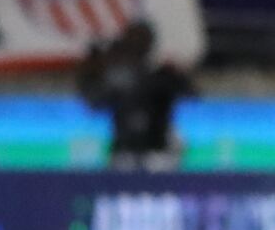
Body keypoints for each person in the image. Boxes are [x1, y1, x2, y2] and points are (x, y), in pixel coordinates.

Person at [77, 19, 193, 166]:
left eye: (141, 39)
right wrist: (90, 71)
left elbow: (192, 98)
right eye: (132, 39)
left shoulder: (163, 75)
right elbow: (94, 103)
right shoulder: (116, 76)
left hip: (157, 150)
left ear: (150, 43)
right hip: (124, 151)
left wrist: (179, 76)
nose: (136, 45)